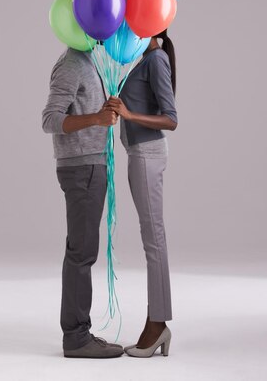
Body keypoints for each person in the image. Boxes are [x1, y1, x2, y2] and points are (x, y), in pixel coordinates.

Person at [42, 46, 124, 358]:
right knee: (81, 252)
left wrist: (104, 110)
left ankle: (80, 330)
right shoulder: (72, 62)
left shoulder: (90, 60)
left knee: (82, 250)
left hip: (92, 164)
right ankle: (76, 338)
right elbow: (50, 118)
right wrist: (97, 117)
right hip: (81, 167)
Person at [104, 29, 177, 358]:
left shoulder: (157, 59)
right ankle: (157, 322)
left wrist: (130, 115)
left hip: (148, 154)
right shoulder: (145, 59)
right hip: (139, 153)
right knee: (152, 237)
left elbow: (170, 119)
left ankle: (158, 323)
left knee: (153, 239)